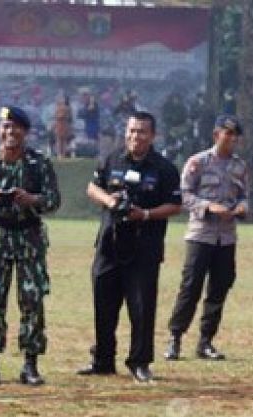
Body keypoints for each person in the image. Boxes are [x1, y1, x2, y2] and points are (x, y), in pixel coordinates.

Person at [77, 111, 182, 383]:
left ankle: (140, 362)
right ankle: (102, 359)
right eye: (132, 131)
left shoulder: (164, 168)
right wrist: (110, 202)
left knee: (142, 308)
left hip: (143, 248)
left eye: (142, 132)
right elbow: (92, 187)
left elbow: (175, 205)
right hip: (109, 245)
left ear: (152, 135)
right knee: (104, 304)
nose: (135, 137)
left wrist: (144, 214)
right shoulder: (112, 158)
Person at [0, 106, 61, 387]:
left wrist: (31, 199)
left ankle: (30, 364)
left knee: (32, 301)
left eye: (16, 127)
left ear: (25, 132)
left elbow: (54, 200)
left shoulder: (38, 163)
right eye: (5, 126)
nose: (10, 132)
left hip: (29, 237)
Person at [163, 114, 248, 362]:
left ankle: (206, 341)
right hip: (201, 234)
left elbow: (244, 195)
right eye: (228, 133)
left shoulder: (239, 166)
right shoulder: (198, 163)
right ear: (216, 134)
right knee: (190, 288)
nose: (232, 139)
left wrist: (242, 207)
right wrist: (208, 206)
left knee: (219, 288)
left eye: (235, 135)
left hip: (227, 237)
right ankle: (175, 338)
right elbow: (184, 195)